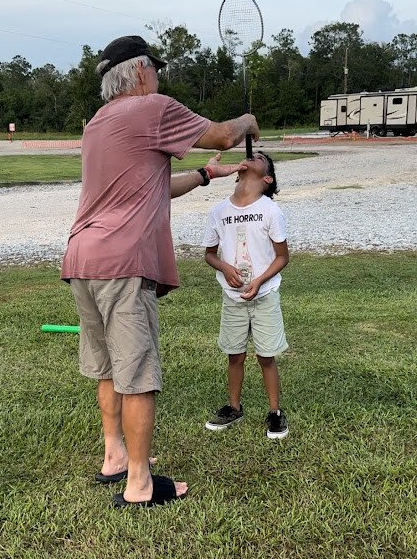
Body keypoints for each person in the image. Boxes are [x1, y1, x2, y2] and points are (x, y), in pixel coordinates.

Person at [60, 35, 260, 508]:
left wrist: (208, 176)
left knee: (107, 369)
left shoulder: (97, 125)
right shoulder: (152, 107)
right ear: (143, 71)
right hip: (124, 263)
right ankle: (140, 485)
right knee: (139, 375)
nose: (159, 78)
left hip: (83, 259)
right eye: (158, 70)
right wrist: (248, 120)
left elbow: (153, 186)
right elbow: (224, 135)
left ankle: (114, 457)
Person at [203, 150, 290, 438]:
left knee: (266, 356)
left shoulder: (270, 210)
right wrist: (225, 267)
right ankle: (234, 407)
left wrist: (260, 280)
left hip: (265, 295)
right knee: (235, 355)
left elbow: (281, 257)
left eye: (261, 157)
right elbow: (209, 255)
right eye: (252, 154)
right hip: (232, 297)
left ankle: (275, 412)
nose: (254, 154)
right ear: (238, 172)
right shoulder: (219, 211)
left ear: (267, 178)